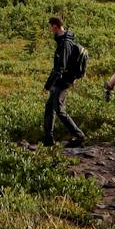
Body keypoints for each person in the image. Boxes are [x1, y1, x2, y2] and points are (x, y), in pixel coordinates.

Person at [42, 15, 87, 146]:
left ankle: (79, 135)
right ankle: (48, 139)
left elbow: (60, 66)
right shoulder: (64, 40)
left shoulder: (65, 43)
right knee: (50, 107)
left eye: (50, 27)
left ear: (55, 26)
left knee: (59, 109)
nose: (50, 29)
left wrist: (50, 84)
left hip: (63, 80)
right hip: (62, 79)